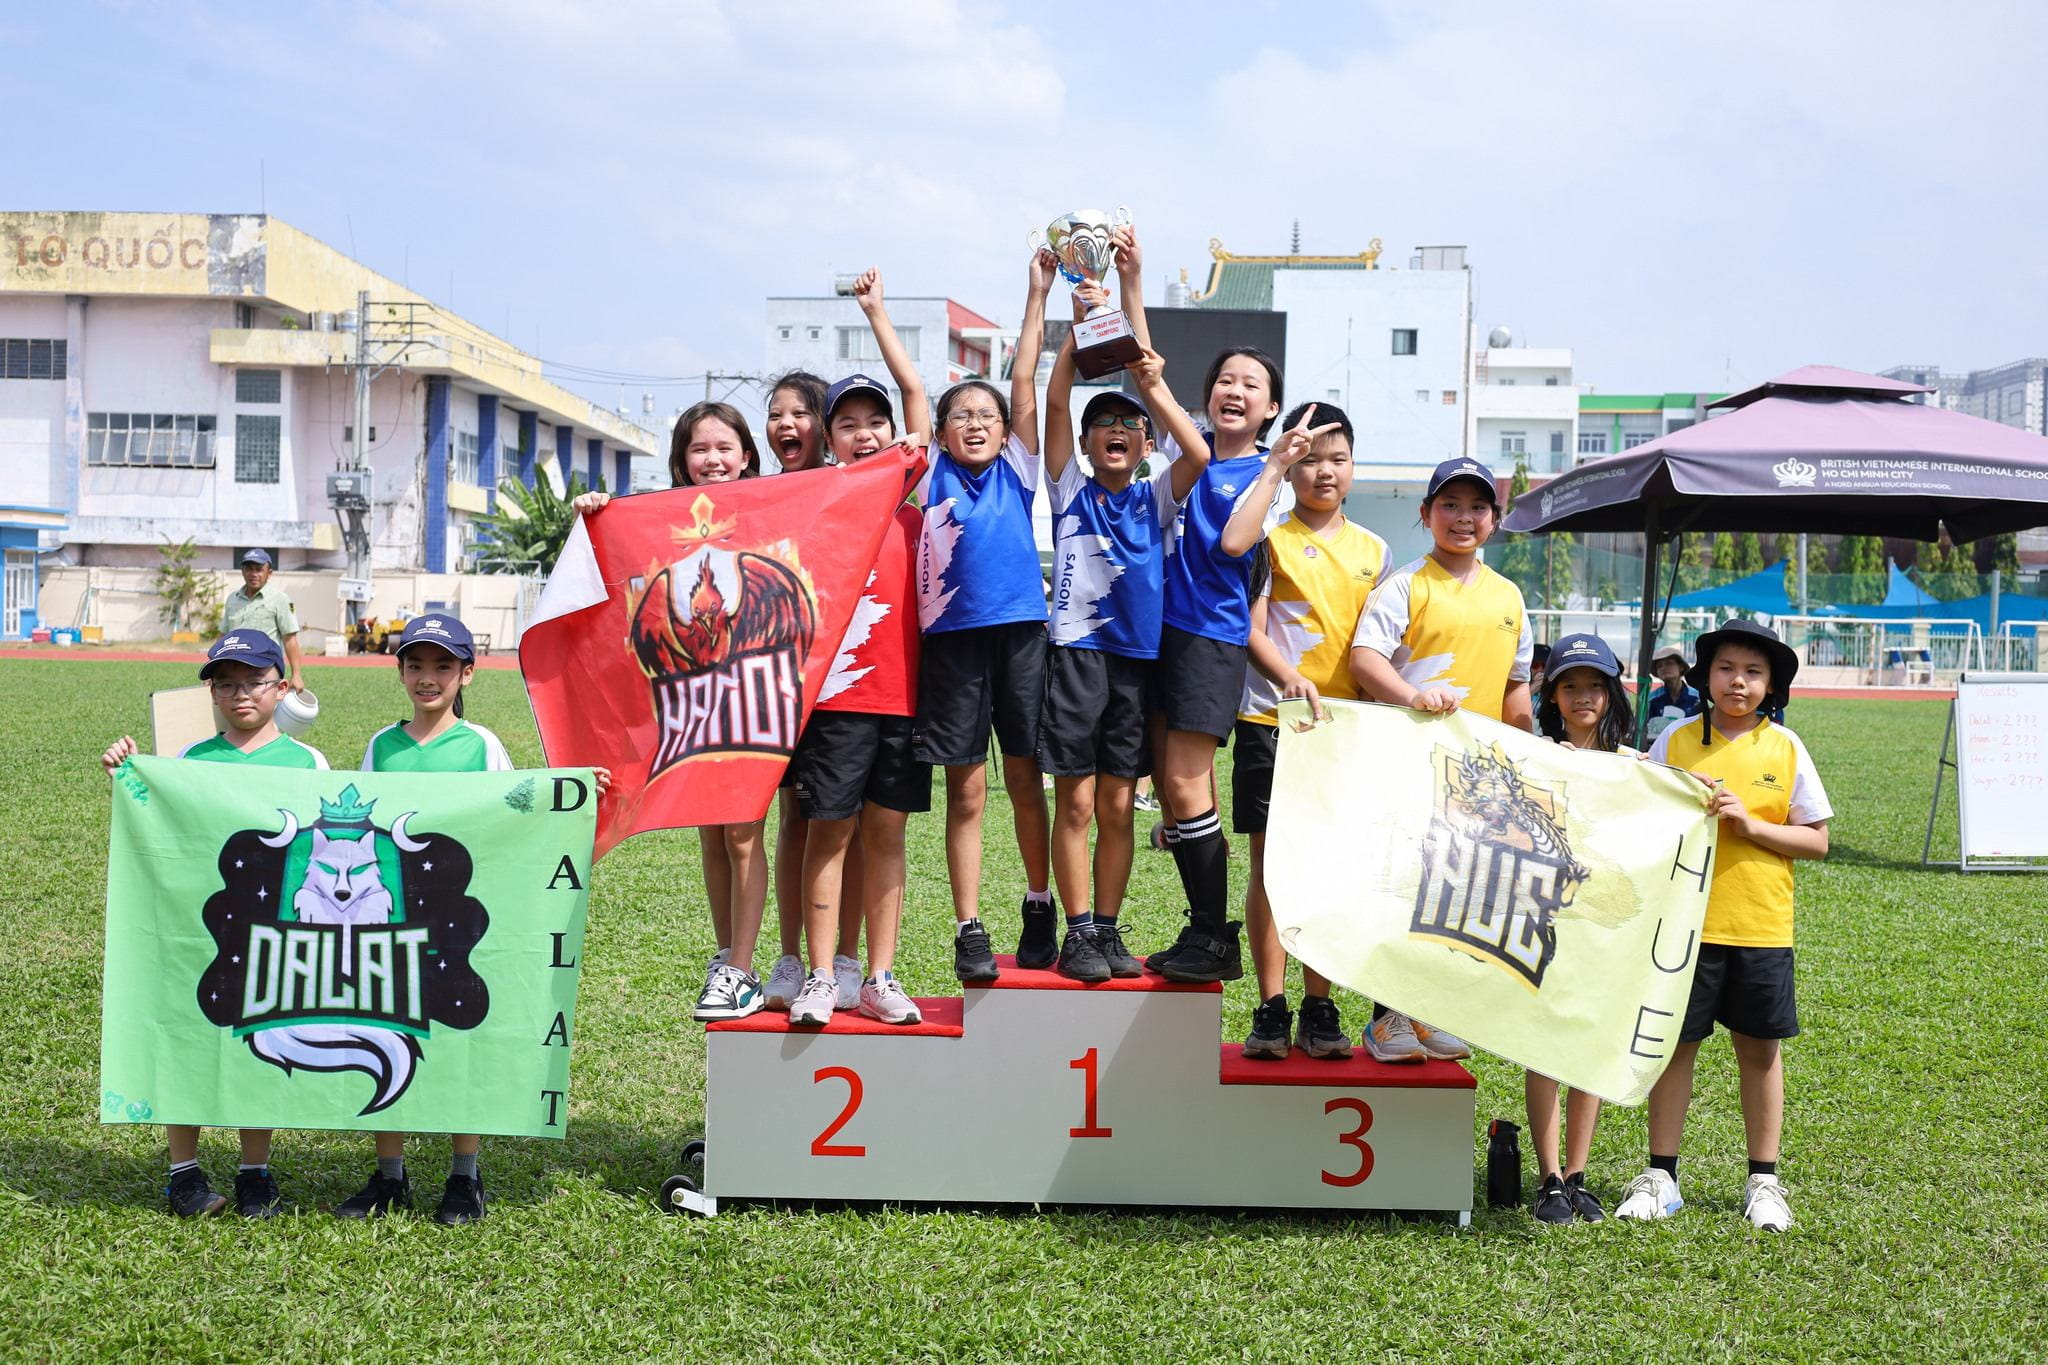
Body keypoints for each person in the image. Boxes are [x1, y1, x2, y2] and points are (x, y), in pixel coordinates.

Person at [337, 613, 607, 1224]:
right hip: (391, 922)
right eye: (415, 665)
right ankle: (389, 1175)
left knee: (460, 1036)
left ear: (467, 674)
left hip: (455, 919)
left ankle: (465, 1174)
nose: (427, 678)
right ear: (400, 672)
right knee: (387, 1031)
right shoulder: (382, 746)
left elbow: (516, 809)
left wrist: (569, 788)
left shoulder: (481, 745)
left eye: (442, 666)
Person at [98, 629, 327, 1218]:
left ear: (281, 687)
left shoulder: (307, 763)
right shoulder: (191, 759)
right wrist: (127, 772)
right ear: (212, 694)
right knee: (188, 1036)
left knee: (261, 1037)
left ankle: (255, 1171)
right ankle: (183, 1173)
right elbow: (158, 823)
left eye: (254, 681)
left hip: (273, 932)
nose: (240, 693)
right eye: (225, 684)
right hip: (201, 926)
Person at [1036, 229, 1209, 982]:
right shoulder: (1068, 489)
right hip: (1077, 659)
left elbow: (1196, 451)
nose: (1116, 432)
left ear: (1143, 445)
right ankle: (1076, 930)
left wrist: (1142, 364)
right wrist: (1080, 332)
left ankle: (1106, 929)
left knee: (1116, 805)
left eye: (1129, 426)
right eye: (1102, 424)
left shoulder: (1155, 496)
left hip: (1138, 665)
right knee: (1074, 805)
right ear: (1084, 443)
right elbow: (1054, 400)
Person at [1624, 620, 1830, 1232]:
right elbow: (1638, 813)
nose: (1738, 682)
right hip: (1682, 926)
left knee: (1759, 1052)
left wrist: (1751, 825)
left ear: (1771, 686)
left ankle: (1763, 1181)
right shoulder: (1676, 738)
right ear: (1704, 676)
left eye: (1753, 672)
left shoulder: (1786, 747)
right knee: (1675, 1047)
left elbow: (1816, 840)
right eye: (1725, 669)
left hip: (1761, 925)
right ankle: (1661, 1177)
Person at [573, 403, 772, 1022]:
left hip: (752, 694)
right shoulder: (658, 519)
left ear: (747, 455)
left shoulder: (772, 506)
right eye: (699, 449)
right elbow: (617, 570)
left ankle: (743, 967)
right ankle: (727, 955)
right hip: (689, 699)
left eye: (725, 447)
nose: (713, 459)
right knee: (710, 829)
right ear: (681, 461)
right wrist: (596, 513)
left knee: (742, 831)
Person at [1146, 352, 1329, 987]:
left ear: (1271, 408)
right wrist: (1123, 296)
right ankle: (1203, 928)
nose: (1235, 390)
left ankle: (1214, 936)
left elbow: (1232, 543)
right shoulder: (1190, 451)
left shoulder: (1265, 477)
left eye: (1252, 385)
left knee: (1185, 781)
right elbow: (1149, 372)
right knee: (1169, 789)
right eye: (1225, 379)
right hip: (1160, 633)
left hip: (1209, 639)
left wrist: (1276, 466)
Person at [1347, 456, 1533, 1061]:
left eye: (1477, 507)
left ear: (1494, 520)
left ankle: (1425, 1013)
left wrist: (1525, 751)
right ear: (1425, 514)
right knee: (1405, 888)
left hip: (1480, 778)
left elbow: (1517, 685)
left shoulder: (1509, 597)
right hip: (1410, 765)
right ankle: (1386, 1020)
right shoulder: (1407, 585)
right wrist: (1412, 697)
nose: (1463, 517)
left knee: (1454, 893)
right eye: (1449, 505)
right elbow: (1365, 659)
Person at [912, 253, 1057, 983]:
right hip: (952, 645)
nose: (975, 423)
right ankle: (969, 927)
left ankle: (1039, 903)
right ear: (941, 433)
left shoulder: (1019, 470)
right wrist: (876, 315)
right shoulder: (927, 473)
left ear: (1006, 431)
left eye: (987, 416)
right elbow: (912, 389)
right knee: (965, 790)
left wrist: (1037, 293)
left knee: (1026, 778)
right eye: (961, 416)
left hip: (1022, 636)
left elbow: (1024, 376)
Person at [786, 349, 932, 1027]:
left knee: (887, 836)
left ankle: (878, 975)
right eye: (848, 424)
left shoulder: (916, 512)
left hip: (903, 702)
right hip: (835, 701)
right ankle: (820, 975)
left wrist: (877, 317)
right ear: (828, 438)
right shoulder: (812, 508)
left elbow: (919, 403)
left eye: (877, 422)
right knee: (828, 833)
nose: (864, 433)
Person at [1237, 402, 1387, 1057]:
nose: (1325, 471)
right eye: (1312, 459)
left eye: (1338, 459)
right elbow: (1249, 629)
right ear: (1291, 464)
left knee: (1325, 870)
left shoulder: (1377, 552)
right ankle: (1271, 1007)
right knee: (1270, 869)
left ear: (1353, 468)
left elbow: (1382, 649)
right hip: (1270, 722)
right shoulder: (1268, 540)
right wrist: (1289, 678)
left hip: (1344, 732)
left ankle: (1319, 1007)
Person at [756, 369, 868, 1014]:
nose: (787, 425)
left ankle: (843, 960)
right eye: (776, 414)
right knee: (793, 819)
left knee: (846, 822)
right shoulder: (757, 495)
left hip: (844, 687)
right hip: (778, 686)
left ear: (823, 428)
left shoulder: (853, 487)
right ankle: (791, 959)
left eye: (800, 414)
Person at [1525, 631, 1636, 1223]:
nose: (1584, 696)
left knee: (1589, 1046)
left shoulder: (1632, 767)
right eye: (1570, 686)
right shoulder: (1534, 755)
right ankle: (1547, 1178)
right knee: (1542, 1047)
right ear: (1552, 696)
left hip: (1602, 930)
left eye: (1596, 685)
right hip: (1545, 922)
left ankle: (1577, 1176)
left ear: (1612, 693)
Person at [221, 549, 304, 692]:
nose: (254, 574)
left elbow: (290, 639)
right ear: (242, 571)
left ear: (269, 573)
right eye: (249, 569)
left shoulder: (280, 599)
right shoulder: (232, 599)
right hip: (234, 668)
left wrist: (296, 675)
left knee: (264, 705)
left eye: (259, 569)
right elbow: (224, 636)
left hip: (265, 671)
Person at [1644, 643, 1703, 740]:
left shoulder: (1697, 698)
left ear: (1681, 667)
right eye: (1659, 666)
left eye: (1669, 663)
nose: (1663, 668)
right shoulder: (1652, 699)